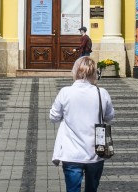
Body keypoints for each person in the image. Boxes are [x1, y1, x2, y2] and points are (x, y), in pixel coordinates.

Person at [49, 56, 114, 192]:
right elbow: (109, 117)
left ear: (75, 71)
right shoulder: (101, 93)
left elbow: (53, 117)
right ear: (94, 73)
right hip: (96, 152)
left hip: (72, 153)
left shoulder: (65, 92)